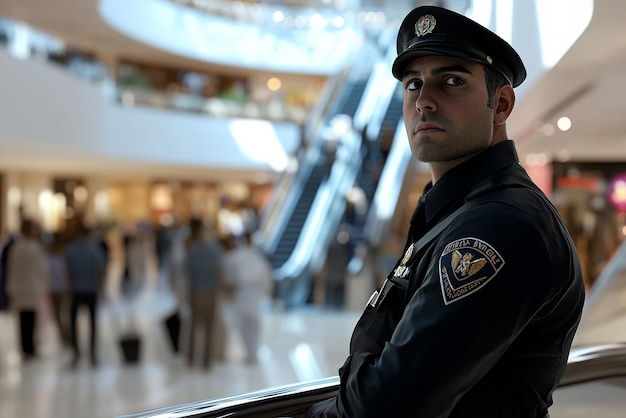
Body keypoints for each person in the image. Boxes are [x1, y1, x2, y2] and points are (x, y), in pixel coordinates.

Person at [305, 6, 585, 418]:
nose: (424, 101)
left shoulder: (501, 224)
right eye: (413, 84)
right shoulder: (455, 209)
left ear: (502, 104)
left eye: (451, 81)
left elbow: (385, 406)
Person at [223, 232, 273, 365]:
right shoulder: (253, 256)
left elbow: (228, 276)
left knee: (246, 323)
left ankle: (251, 351)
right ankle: (251, 351)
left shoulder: (237, 256)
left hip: (246, 292)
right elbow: (266, 275)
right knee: (250, 323)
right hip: (247, 292)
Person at [5, 218, 49, 361]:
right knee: (30, 319)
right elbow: (41, 269)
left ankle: (27, 348)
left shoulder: (17, 247)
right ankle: (29, 348)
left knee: (24, 319)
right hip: (30, 287)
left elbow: (11, 269)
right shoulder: (32, 247)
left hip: (22, 287)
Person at [183, 218, 224, 369]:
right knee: (209, 328)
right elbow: (220, 273)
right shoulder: (215, 251)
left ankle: (191, 358)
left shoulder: (193, 251)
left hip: (196, 292)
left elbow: (187, 272)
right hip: (211, 293)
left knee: (194, 327)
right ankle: (206, 361)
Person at [64, 225, 106, 368]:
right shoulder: (94, 250)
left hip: (78, 290)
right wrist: (102, 287)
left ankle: (78, 354)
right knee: (92, 323)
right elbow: (99, 271)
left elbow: (68, 272)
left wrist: (69, 288)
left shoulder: (72, 249)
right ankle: (91, 354)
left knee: (76, 323)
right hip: (89, 290)